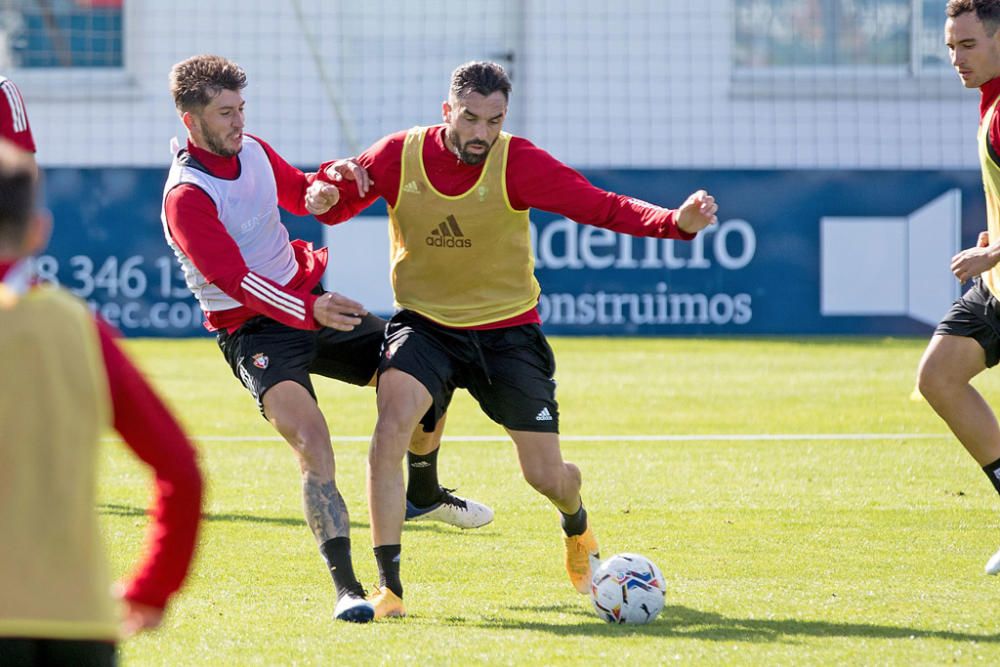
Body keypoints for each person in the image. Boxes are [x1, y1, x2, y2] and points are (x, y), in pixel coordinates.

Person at [306, 60, 719, 618]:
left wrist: (674, 223)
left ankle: (577, 526)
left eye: (494, 120)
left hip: (507, 333)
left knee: (546, 476)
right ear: (447, 110)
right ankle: (390, 590)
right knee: (389, 427)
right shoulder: (399, 154)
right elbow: (344, 191)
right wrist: (327, 189)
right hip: (425, 324)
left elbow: (599, 205)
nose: (481, 133)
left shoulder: (517, 161)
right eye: (470, 118)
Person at [161, 55, 492, 623]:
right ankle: (348, 589)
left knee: (425, 367)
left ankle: (424, 493)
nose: (239, 122)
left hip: (309, 302)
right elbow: (236, 283)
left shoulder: (256, 151)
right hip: (254, 329)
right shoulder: (186, 197)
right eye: (225, 113)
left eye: (242, 108)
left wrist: (321, 190)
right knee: (314, 442)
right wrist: (310, 307)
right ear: (191, 121)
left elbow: (303, 194)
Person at [0, 138, 204, 665]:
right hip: (78, 619)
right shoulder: (79, 328)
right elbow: (180, 468)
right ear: (38, 230)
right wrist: (153, 587)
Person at [919, 0, 1000, 576]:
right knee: (939, 378)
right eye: (950, 46)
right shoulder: (990, 102)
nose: (955, 58)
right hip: (998, 287)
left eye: (967, 45)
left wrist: (994, 249)